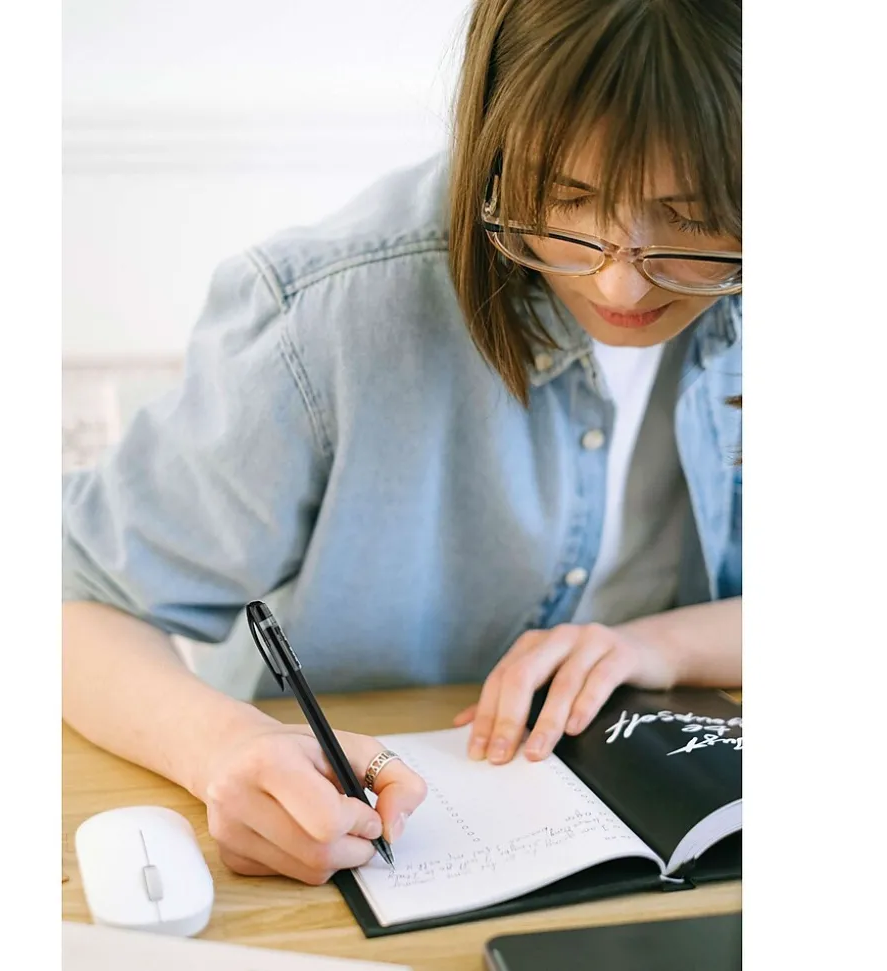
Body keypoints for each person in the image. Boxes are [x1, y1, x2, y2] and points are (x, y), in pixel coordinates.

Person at [62, 0, 742, 888]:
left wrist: (662, 645)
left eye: (693, 217)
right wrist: (223, 746)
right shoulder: (330, 310)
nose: (619, 283)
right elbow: (75, 603)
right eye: (568, 200)